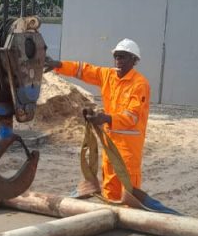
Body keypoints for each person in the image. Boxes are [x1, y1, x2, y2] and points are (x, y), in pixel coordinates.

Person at [45, 38, 149, 202]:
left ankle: (128, 212)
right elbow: (83, 70)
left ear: (134, 60)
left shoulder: (139, 84)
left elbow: (132, 116)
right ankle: (110, 208)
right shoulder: (108, 76)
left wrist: (106, 118)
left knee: (128, 184)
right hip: (110, 140)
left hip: (129, 145)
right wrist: (59, 65)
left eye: (123, 56)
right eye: (116, 56)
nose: (118, 60)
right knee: (109, 179)